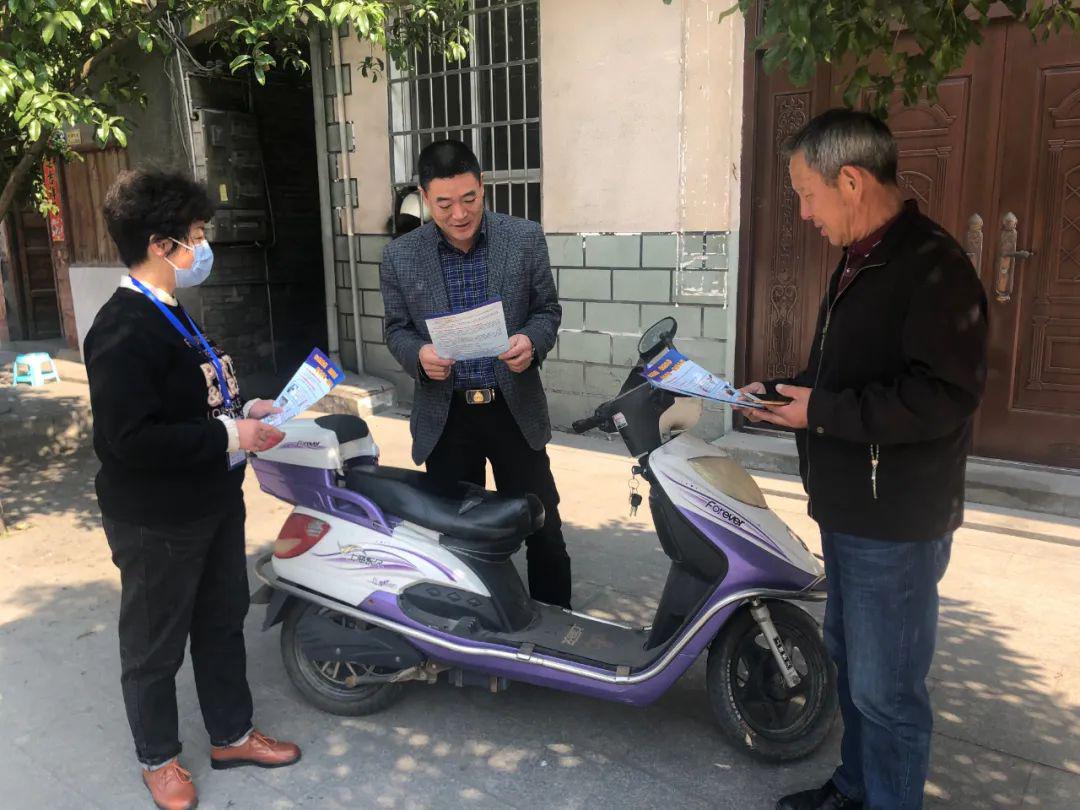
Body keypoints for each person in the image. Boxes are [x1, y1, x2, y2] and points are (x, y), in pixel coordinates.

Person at [738, 109, 988, 810]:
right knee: (852, 665)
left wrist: (819, 410)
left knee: (888, 691)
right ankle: (855, 790)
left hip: (896, 520)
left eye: (806, 194)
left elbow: (942, 397)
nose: (803, 213)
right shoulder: (860, 257)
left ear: (849, 181)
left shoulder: (934, 268)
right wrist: (783, 392)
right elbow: (844, 374)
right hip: (850, 506)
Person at [84, 169, 301, 810]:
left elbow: (196, 397)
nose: (203, 247)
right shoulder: (121, 330)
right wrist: (232, 435)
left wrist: (246, 407)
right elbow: (131, 441)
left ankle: (232, 734)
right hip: (157, 518)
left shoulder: (172, 311)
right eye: (197, 235)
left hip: (213, 501)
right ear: (161, 244)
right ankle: (158, 758)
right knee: (154, 644)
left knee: (221, 623)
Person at [379, 139, 572, 608]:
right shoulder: (400, 256)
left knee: (542, 527)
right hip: (447, 417)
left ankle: (555, 623)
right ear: (425, 197)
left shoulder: (523, 238)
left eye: (469, 198)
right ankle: (470, 626)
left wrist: (532, 342)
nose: (460, 214)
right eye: (444, 204)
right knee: (456, 537)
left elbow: (547, 310)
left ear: (482, 187)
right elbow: (396, 329)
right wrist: (418, 355)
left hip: (513, 409)